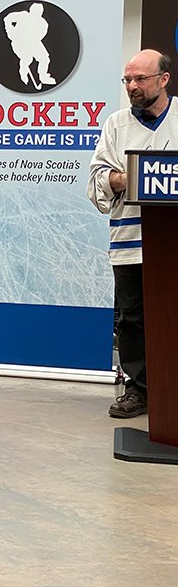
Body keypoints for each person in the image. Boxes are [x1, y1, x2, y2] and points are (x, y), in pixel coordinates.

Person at [88, 49, 176, 418]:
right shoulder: (116, 124)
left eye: (140, 79)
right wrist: (130, 178)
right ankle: (138, 389)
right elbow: (96, 180)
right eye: (128, 80)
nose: (133, 87)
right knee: (133, 318)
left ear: (163, 79)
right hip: (129, 243)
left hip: (172, 245)